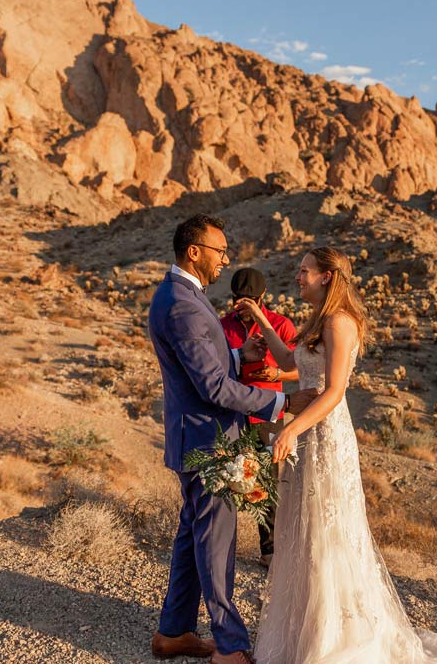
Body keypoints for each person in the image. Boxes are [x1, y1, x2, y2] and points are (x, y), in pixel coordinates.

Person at [236, 247, 437, 664]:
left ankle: (336, 639)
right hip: (306, 432)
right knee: (304, 529)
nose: (298, 278)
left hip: (325, 434)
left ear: (327, 276)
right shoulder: (317, 320)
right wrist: (263, 321)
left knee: (328, 532)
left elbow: (334, 390)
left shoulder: (340, 322)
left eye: (305, 272)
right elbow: (289, 361)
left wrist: (291, 429)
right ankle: (305, 631)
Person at [147, 214, 318, 664]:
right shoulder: (183, 303)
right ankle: (229, 645)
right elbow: (213, 387)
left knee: (192, 534)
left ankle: (173, 631)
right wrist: (280, 405)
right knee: (215, 541)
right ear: (194, 252)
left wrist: (241, 353)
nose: (226, 260)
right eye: (220, 251)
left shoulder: (184, 296)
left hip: (200, 435)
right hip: (207, 439)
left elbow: (205, 360)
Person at [219, 267, 299, 567]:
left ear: (262, 298)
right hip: (232, 412)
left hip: (269, 413)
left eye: (250, 301)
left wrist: (278, 373)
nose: (244, 306)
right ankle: (224, 545)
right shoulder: (222, 326)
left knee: (267, 480)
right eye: (239, 301)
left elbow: (302, 368)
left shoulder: (280, 324)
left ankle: (269, 551)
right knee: (228, 476)